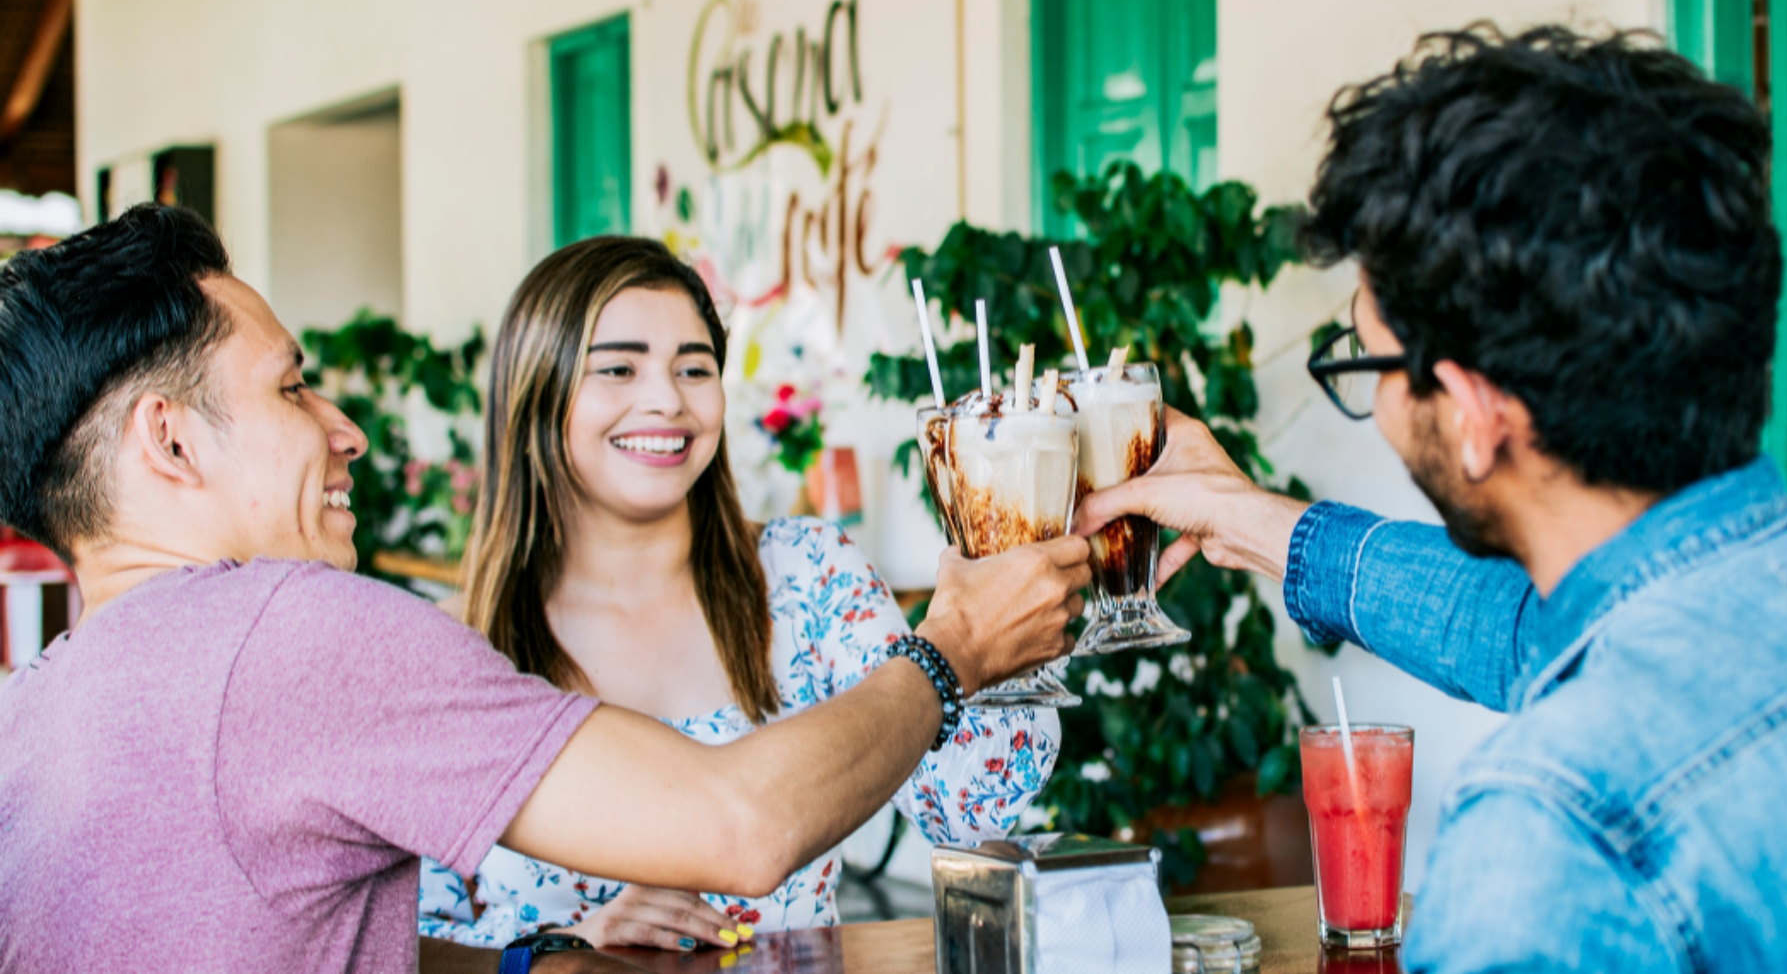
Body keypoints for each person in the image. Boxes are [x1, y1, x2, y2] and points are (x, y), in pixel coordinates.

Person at [1076, 26, 1787, 973]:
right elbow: (1524, 630)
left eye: (1363, 359)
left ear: (1470, 411)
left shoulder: (1550, 838)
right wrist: (1248, 518)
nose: (1366, 391)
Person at [0, 204, 1089, 972]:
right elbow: (742, 824)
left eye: (692, 361)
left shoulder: (29, 706)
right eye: (292, 384)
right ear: (172, 442)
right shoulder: (304, 635)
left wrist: (539, 958)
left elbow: (333, 943)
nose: (349, 428)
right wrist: (950, 649)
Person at [414, 237, 1060, 951]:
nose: (666, 400)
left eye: (695, 368)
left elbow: (971, 809)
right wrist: (565, 944)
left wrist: (1006, 611)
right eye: (619, 368)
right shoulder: (454, 651)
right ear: (538, 392)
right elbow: (404, 941)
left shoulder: (808, 577)